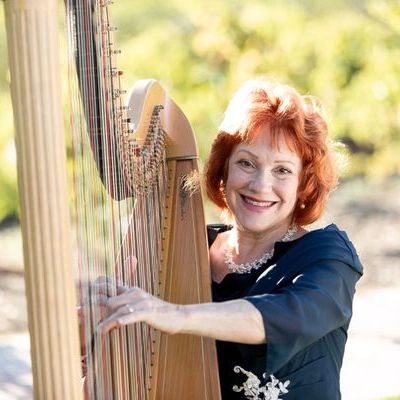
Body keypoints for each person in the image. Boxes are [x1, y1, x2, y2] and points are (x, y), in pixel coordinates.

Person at [96, 79, 363, 399]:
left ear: (304, 183)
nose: (261, 185)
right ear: (223, 170)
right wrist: (102, 333)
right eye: (246, 163)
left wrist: (172, 314)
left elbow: (284, 313)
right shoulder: (184, 253)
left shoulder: (327, 257)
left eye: (282, 170)